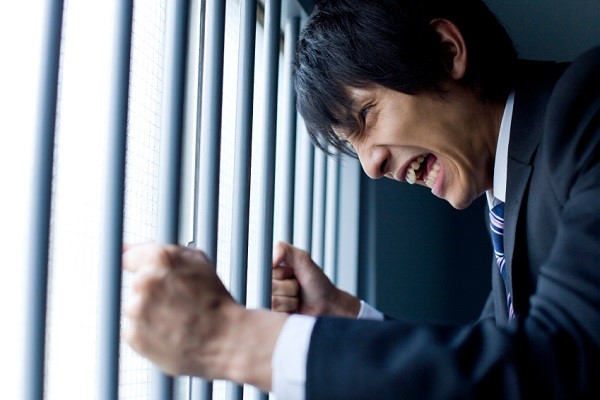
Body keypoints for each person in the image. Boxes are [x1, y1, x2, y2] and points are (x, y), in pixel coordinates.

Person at [122, 0, 600, 398]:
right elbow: (491, 357)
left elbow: (559, 361)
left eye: (367, 115)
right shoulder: (508, 187)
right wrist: (340, 315)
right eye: (355, 150)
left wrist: (228, 340)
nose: (372, 167)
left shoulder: (590, 104)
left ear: (445, 50)